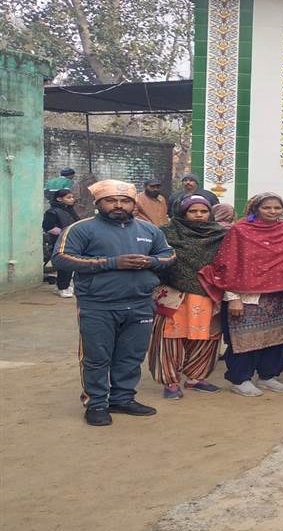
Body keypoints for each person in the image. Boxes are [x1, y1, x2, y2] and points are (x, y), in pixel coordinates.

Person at [52, 179, 176, 426]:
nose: (119, 205)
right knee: (96, 357)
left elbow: (168, 254)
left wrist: (151, 262)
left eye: (125, 201)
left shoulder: (149, 230)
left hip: (140, 303)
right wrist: (111, 263)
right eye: (111, 200)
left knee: (131, 356)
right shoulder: (81, 229)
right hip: (98, 304)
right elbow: (62, 258)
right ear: (98, 203)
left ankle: (122, 398)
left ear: (133, 204)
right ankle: (96, 404)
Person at [199, 192, 283, 398]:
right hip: (246, 295)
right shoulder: (240, 230)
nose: (273, 211)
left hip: (279, 294)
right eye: (267, 208)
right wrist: (233, 297)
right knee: (245, 339)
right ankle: (240, 379)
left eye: (277, 208)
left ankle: (268, 376)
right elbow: (227, 264)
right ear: (256, 209)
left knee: (277, 338)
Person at [148, 195, 226, 399]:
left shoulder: (220, 234)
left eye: (204, 211)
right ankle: (170, 381)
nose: (199, 215)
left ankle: (196, 377)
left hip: (208, 293)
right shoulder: (166, 233)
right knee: (169, 337)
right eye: (193, 211)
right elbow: (157, 260)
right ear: (183, 212)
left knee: (206, 337)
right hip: (174, 294)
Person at [43, 188, 81, 297]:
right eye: (68, 197)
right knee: (65, 264)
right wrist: (64, 233)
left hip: (72, 240)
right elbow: (48, 227)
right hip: (59, 241)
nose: (72, 199)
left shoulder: (70, 210)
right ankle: (62, 287)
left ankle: (62, 285)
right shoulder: (52, 212)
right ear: (59, 199)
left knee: (71, 263)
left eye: (72, 197)